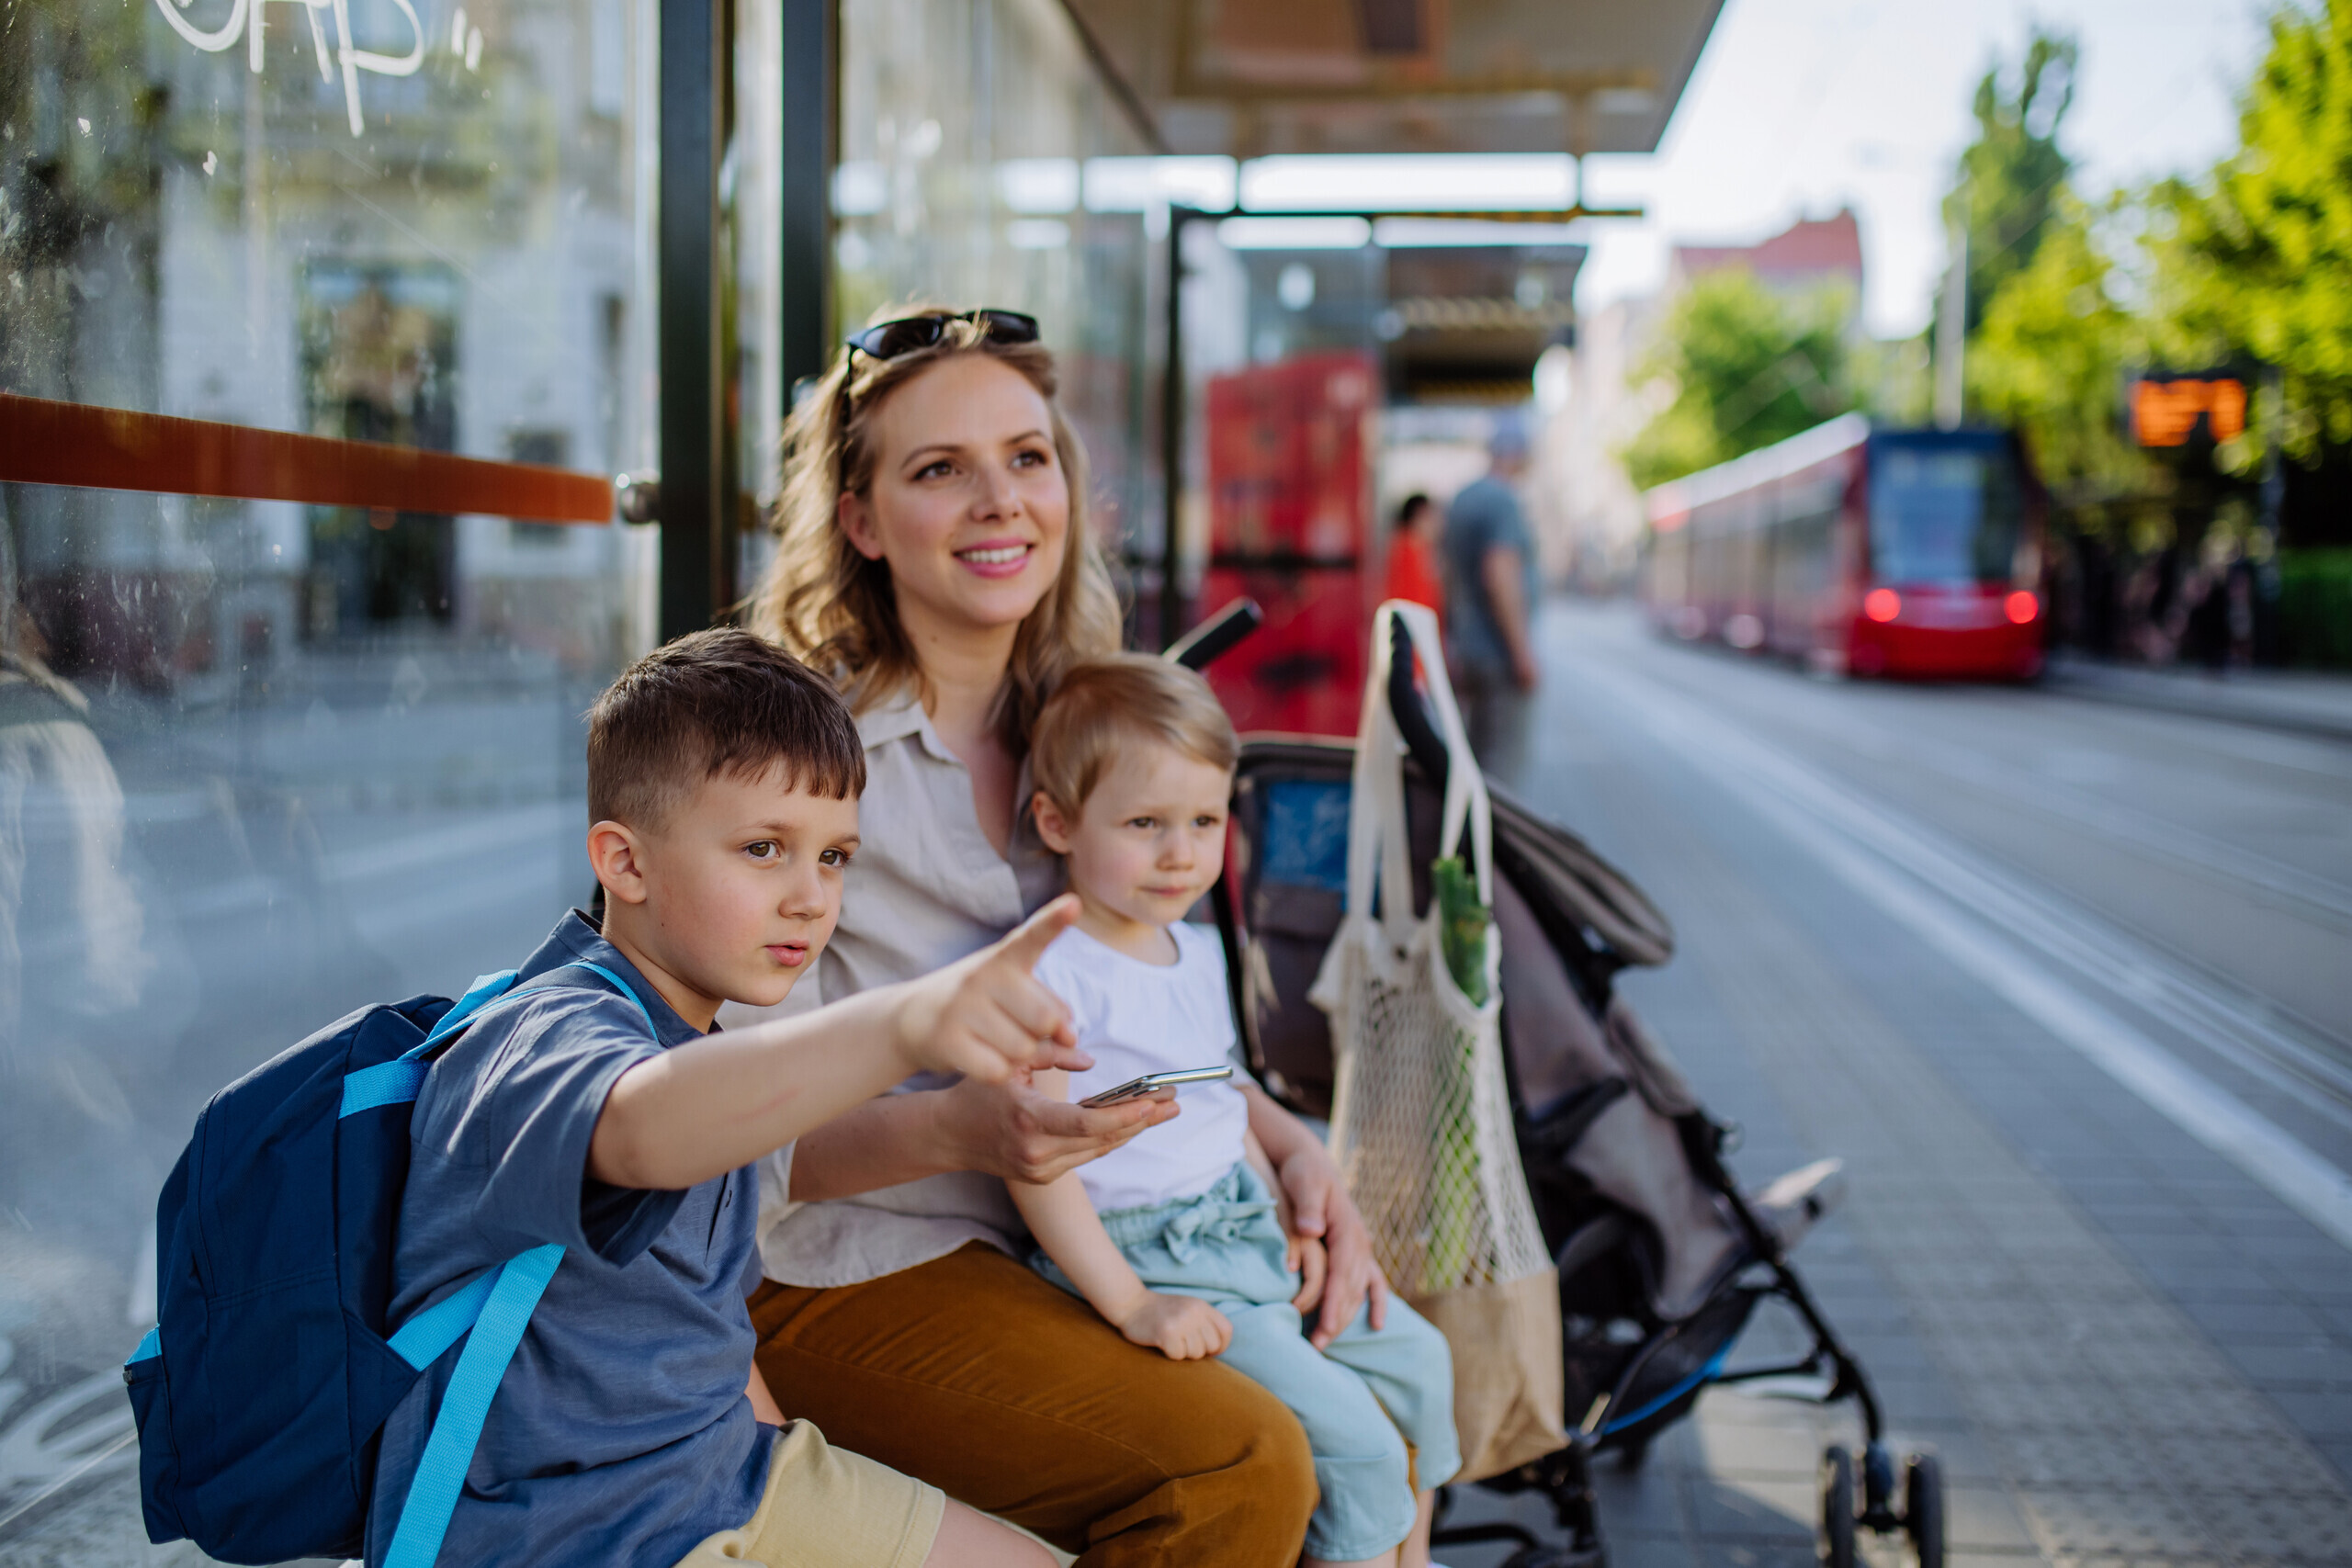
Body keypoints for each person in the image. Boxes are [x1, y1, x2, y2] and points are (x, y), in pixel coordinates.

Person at [741, 305, 1380, 1563]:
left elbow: (1165, 1020)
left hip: (1106, 1236)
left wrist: (1290, 1144)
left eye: (1027, 457)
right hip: (850, 1264)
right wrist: (961, 1125)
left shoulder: (1104, 737)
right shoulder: (795, 761)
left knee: (1383, 1402)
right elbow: (737, 1136)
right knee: (1240, 1462)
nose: (1001, 501)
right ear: (860, 520)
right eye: (940, 469)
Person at [373, 627, 1074, 1568]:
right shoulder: (543, 1032)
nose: (809, 898)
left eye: (833, 858)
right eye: (762, 848)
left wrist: (789, 1479)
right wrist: (904, 1026)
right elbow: (638, 1127)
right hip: (574, 1530)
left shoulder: (701, 1041)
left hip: (720, 1478)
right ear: (623, 863)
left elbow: (712, 1341)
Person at [1013, 656, 1459, 1568]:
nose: (1181, 853)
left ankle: (1411, 1558)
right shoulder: (1050, 978)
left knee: (1420, 1367)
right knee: (1358, 1449)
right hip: (1151, 1251)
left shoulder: (1194, 945)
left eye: (1203, 822)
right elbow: (1035, 1161)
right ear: (1057, 822)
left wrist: (1283, 1182)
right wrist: (1134, 1305)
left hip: (1238, 1227)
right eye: (1144, 824)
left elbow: (1218, 1093)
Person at [1441, 420, 1541, 785]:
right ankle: (1493, 843)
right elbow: (1500, 574)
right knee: (1502, 771)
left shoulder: (1461, 500)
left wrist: (1451, 643)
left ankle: (1468, 841)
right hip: (1499, 657)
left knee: (1475, 760)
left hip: (1468, 651)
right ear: (1514, 455)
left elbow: (1448, 579)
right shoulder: (1503, 500)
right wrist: (1522, 653)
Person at [1383, 492, 1445, 619]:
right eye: (1431, 517)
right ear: (1418, 516)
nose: (1436, 524)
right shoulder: (1407, 548)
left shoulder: (1420, 549)